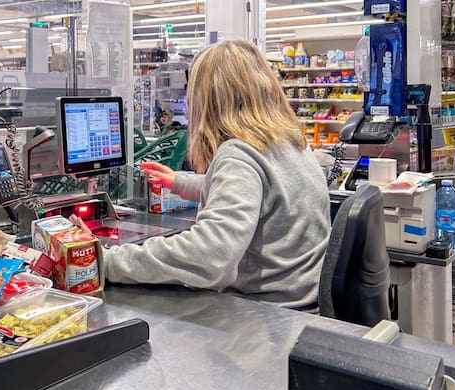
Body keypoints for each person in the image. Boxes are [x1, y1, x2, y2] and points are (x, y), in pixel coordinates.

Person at [75, 40, 330, 308]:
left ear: (205, 99)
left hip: (266, 318)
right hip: (303, 307)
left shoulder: (239, 154)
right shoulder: (288, 141)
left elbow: (210, 256)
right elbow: (258, 190)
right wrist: (180, 182)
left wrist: (106, 260)